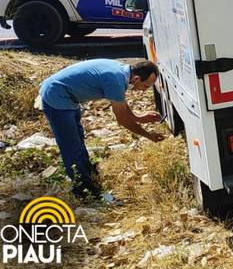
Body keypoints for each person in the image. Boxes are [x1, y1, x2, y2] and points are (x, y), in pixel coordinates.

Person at [39, 59, 166, 198]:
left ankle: (89, 182)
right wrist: (148, 135)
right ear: (136, 79)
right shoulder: (116, 81)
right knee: (72, 148)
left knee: (79, 143)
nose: (144, 90)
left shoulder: (121, 73)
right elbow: (122, 119)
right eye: (145, 86)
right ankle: (83, 192)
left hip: (68, 97)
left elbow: (121, 105)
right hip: (56, 97)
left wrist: (140, 118)